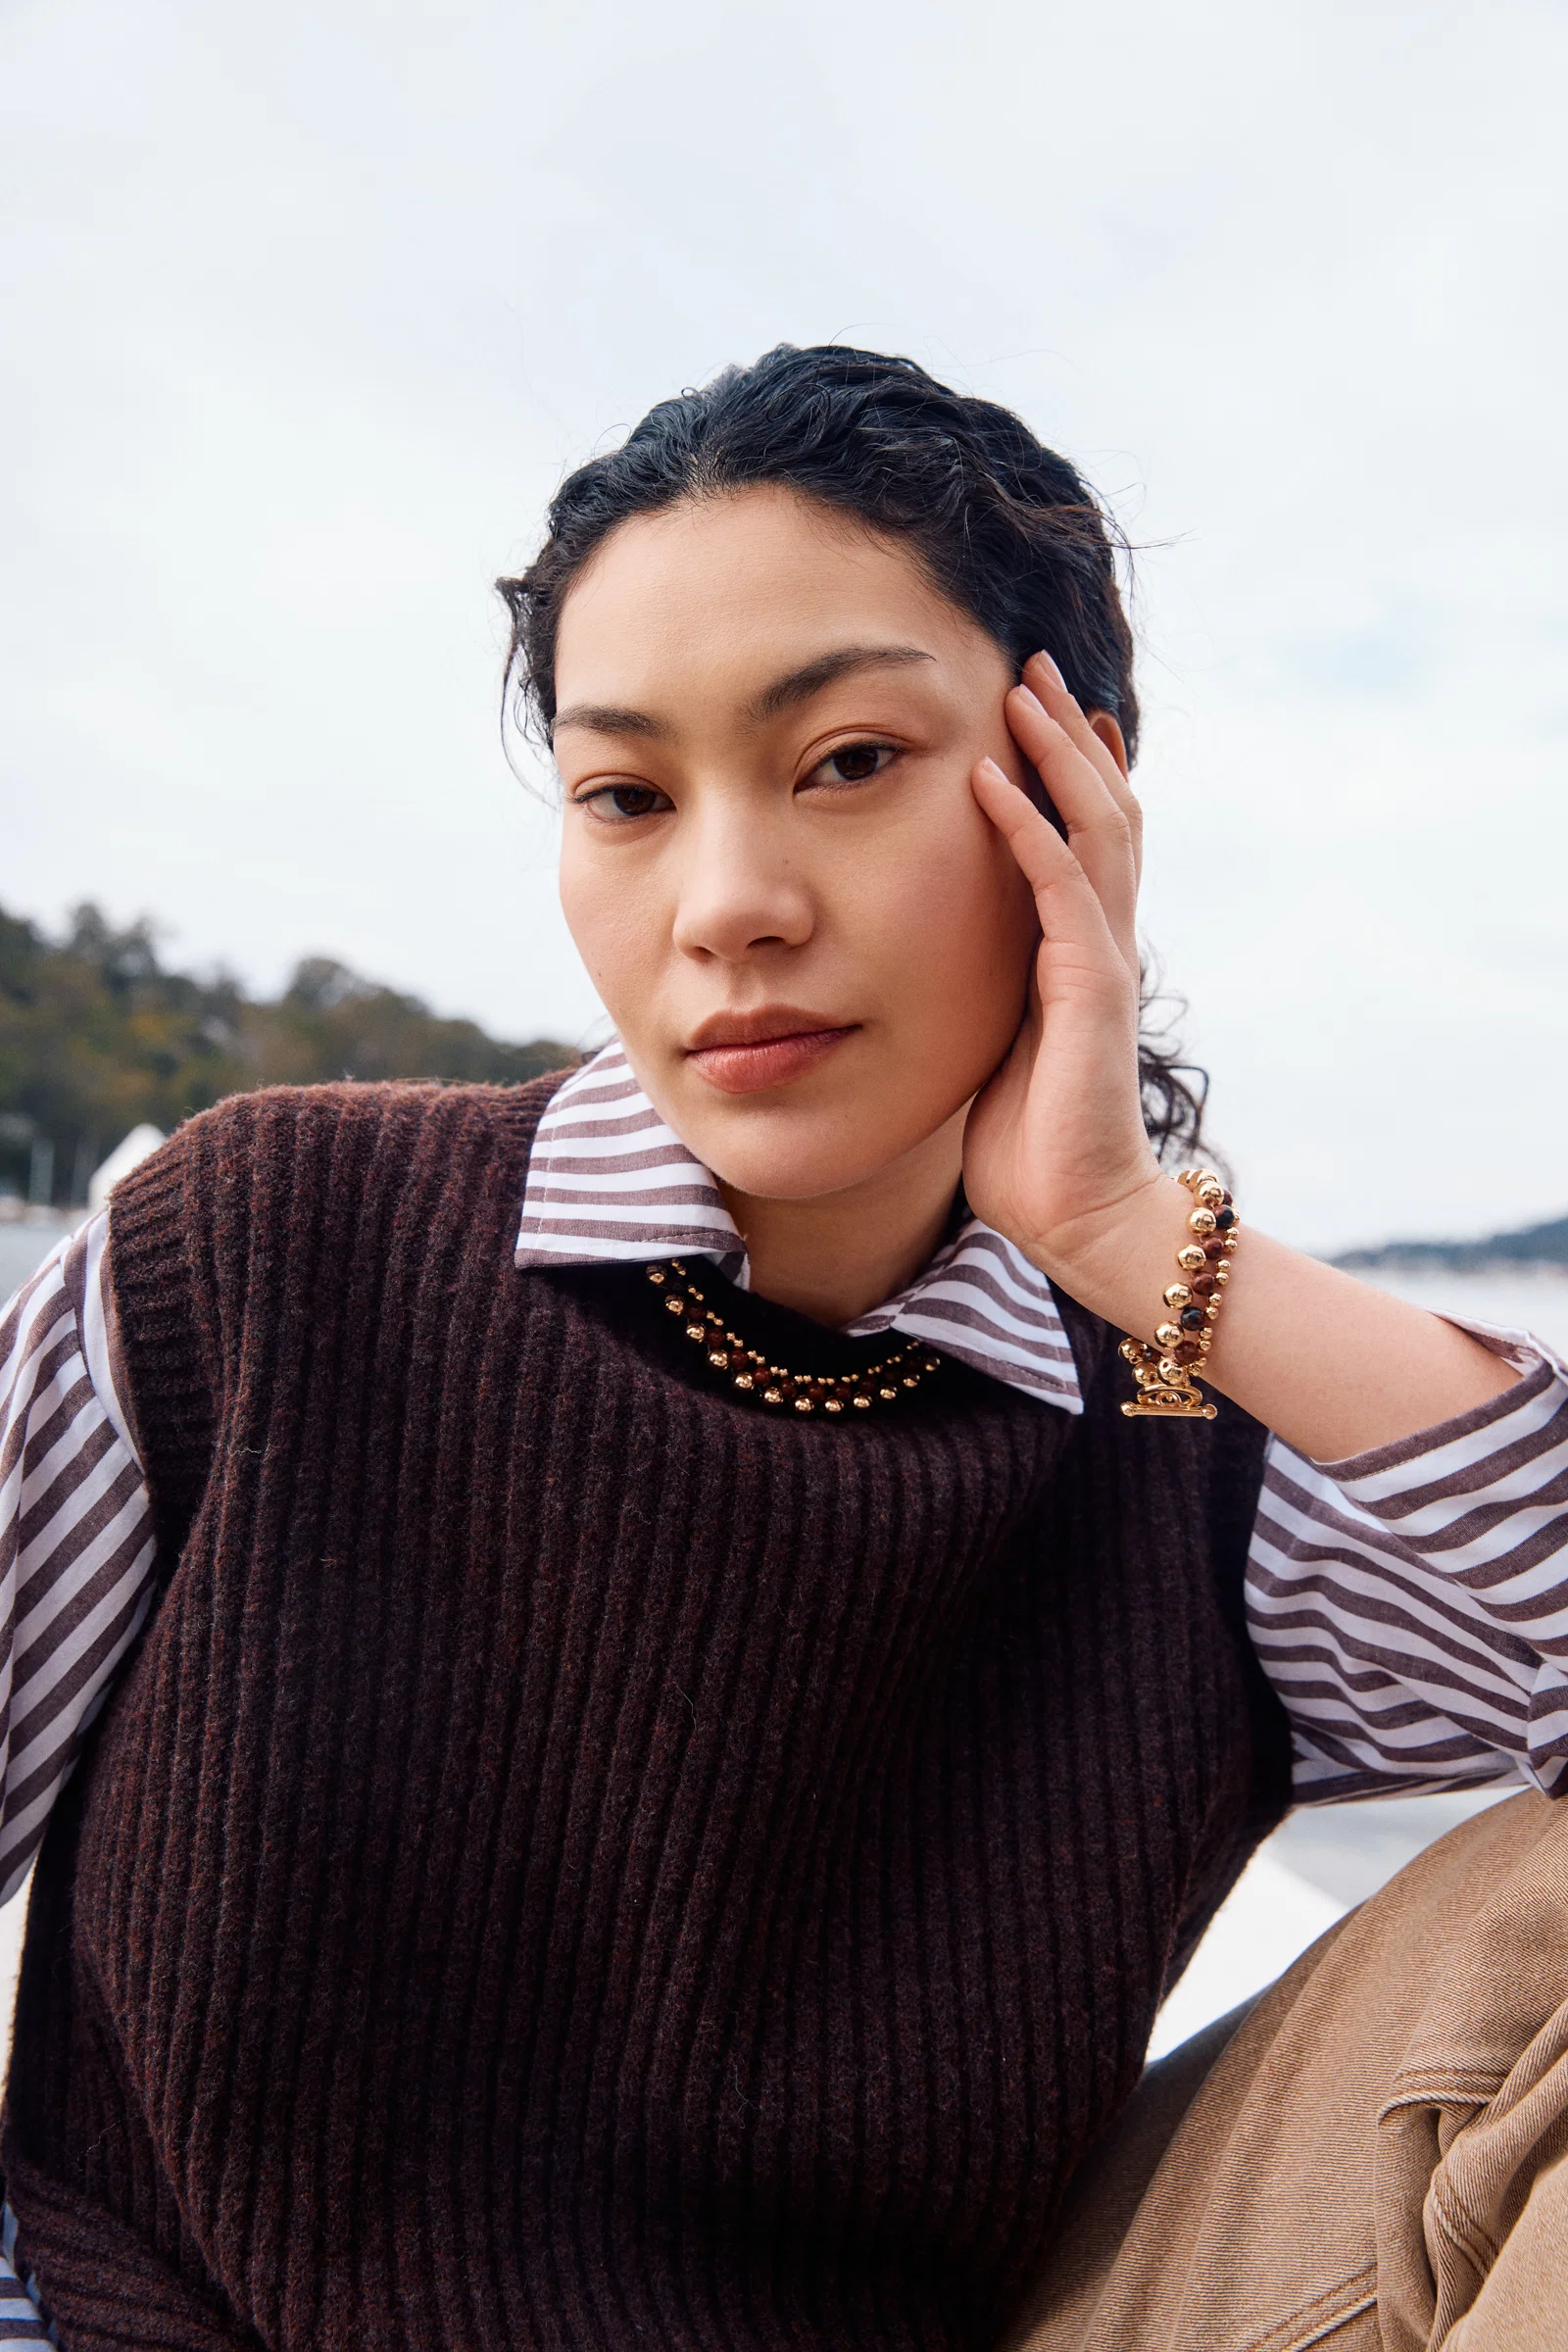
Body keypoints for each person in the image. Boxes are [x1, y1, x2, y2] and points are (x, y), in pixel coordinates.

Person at [0, 343, 1562, 2350]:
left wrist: (1122, 1232)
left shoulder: (1185, 1435)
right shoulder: (261, 1251)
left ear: (1073, 780)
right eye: (626, 797)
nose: (725, 906)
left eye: (844, 762)